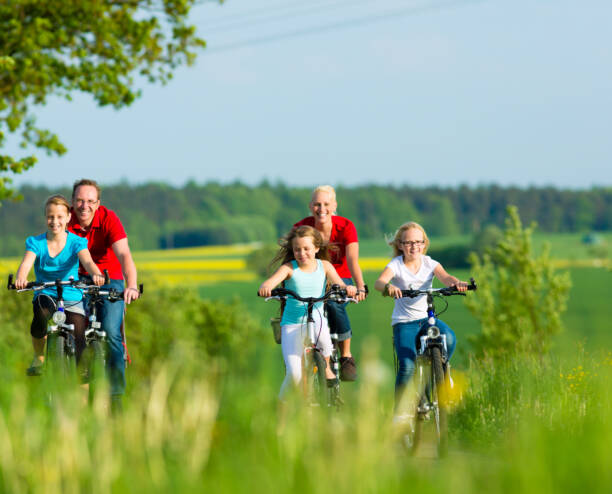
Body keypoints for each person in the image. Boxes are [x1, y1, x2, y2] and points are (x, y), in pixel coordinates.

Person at [373, 221, 468, 417]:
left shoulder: (429, 263)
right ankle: (399, 413)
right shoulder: (396, 265)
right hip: (404, 322)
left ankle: (442, 372)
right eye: (408, 243)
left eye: (418, 242)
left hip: (427, 319)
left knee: (448, 338)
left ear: (424, 244)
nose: (414, 246)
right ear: (400, 245)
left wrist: (456, 283)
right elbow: (379, 282)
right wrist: (388, 287)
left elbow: (445, 277)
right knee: (407, 365)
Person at [258, 225, 357, 400]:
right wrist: (266, 288)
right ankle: (282, 407)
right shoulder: (289, 268)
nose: (302, 253)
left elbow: (339, 284)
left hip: (317, 319)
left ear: (317, 248)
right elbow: (269, 283)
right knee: (294, 376)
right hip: (292, 324)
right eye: (297, 249)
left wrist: (347, 288)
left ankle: (326, 368)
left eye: (306, 249)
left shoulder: (324, 266)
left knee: (326, 344)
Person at [67, 179, 140, 408]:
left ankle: (116, 393)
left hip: (110, 279)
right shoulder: (64, 219)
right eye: (79, 200)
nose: (84, 206)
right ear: (72, 202)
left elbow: (124, 254)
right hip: (75, 278)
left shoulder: (109, 219)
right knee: (70, 328)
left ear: (98, 203)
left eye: (90, 201)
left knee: (110, 331)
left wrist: (132, 285)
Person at [14, 195, 105, 376]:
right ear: (45, 217)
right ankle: (39, 356)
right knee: (40, 315)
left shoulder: (76, 242)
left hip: (71, 293)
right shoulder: (36, 242)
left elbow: (87, 261)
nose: (54, 221)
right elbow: (26, 264)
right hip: (45, 291)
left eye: (59, 217)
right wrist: (21, 278)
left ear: (68, 218)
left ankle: (80, 371)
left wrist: (96, 273)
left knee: (79, 332)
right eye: (50, 216)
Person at [294, 185, 367, 381]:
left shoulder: (346, 226)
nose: (321, 209)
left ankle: (346, 355)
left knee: (334, 304)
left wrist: (360, 286)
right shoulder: (302, 227)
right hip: (310, 277)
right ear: (310, 206)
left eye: (326, 204)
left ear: (334, 205)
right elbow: (290, 258)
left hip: (340, 279)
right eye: (317, 204)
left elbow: (352, 260)